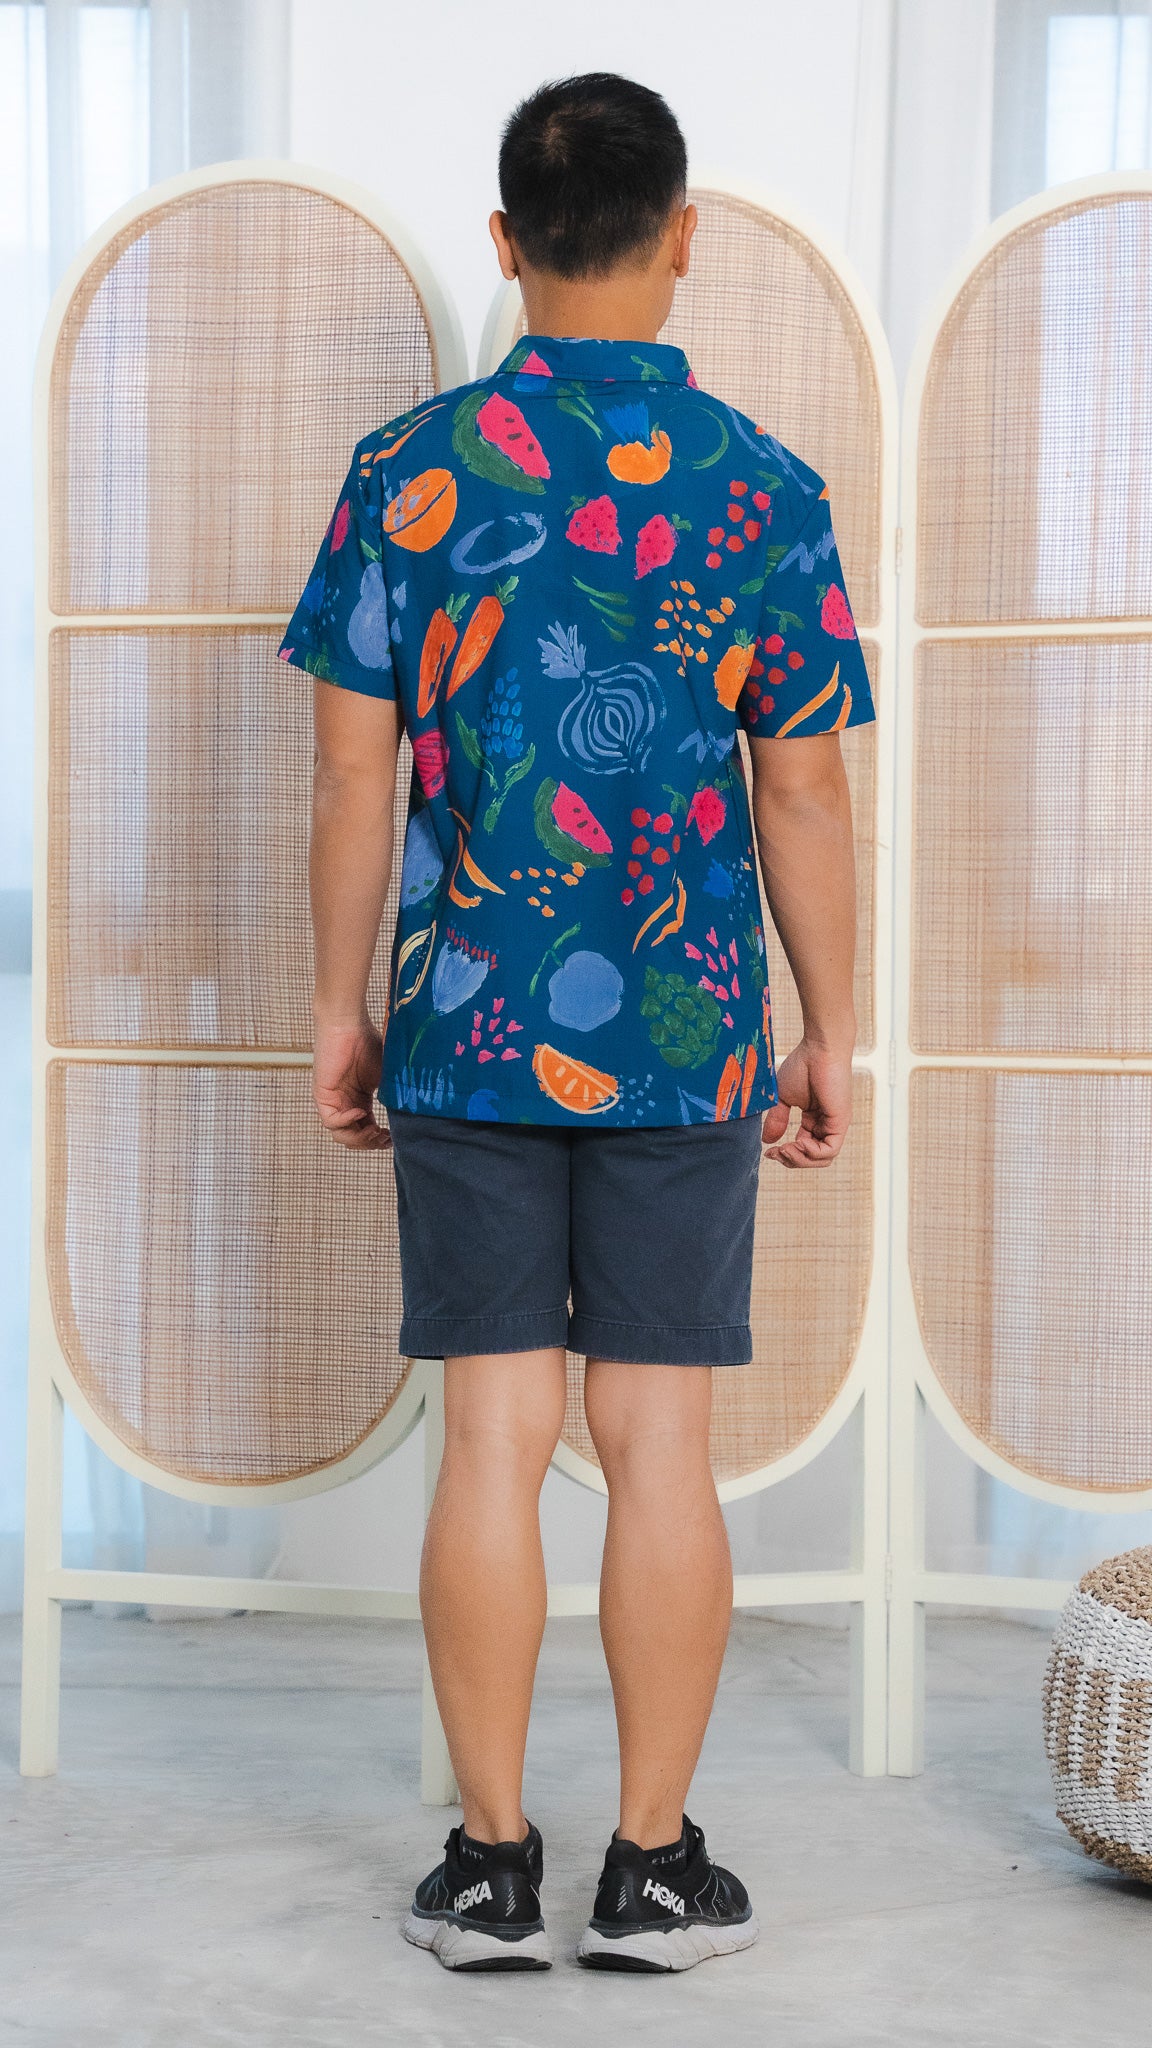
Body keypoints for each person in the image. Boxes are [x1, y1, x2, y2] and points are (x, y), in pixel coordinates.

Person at [278, 70, 875, 1976]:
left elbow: (351, 779)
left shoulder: (407, 473)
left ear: (504, 241)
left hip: (462, 1016)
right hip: (685, 1032)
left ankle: (484, 1869)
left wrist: (338, 1008)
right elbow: (804, 794)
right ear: (683, 237)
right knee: (658, 1440)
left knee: (492, 1434)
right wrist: (831, 1027)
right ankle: (650, 1869)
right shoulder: (766, 490)